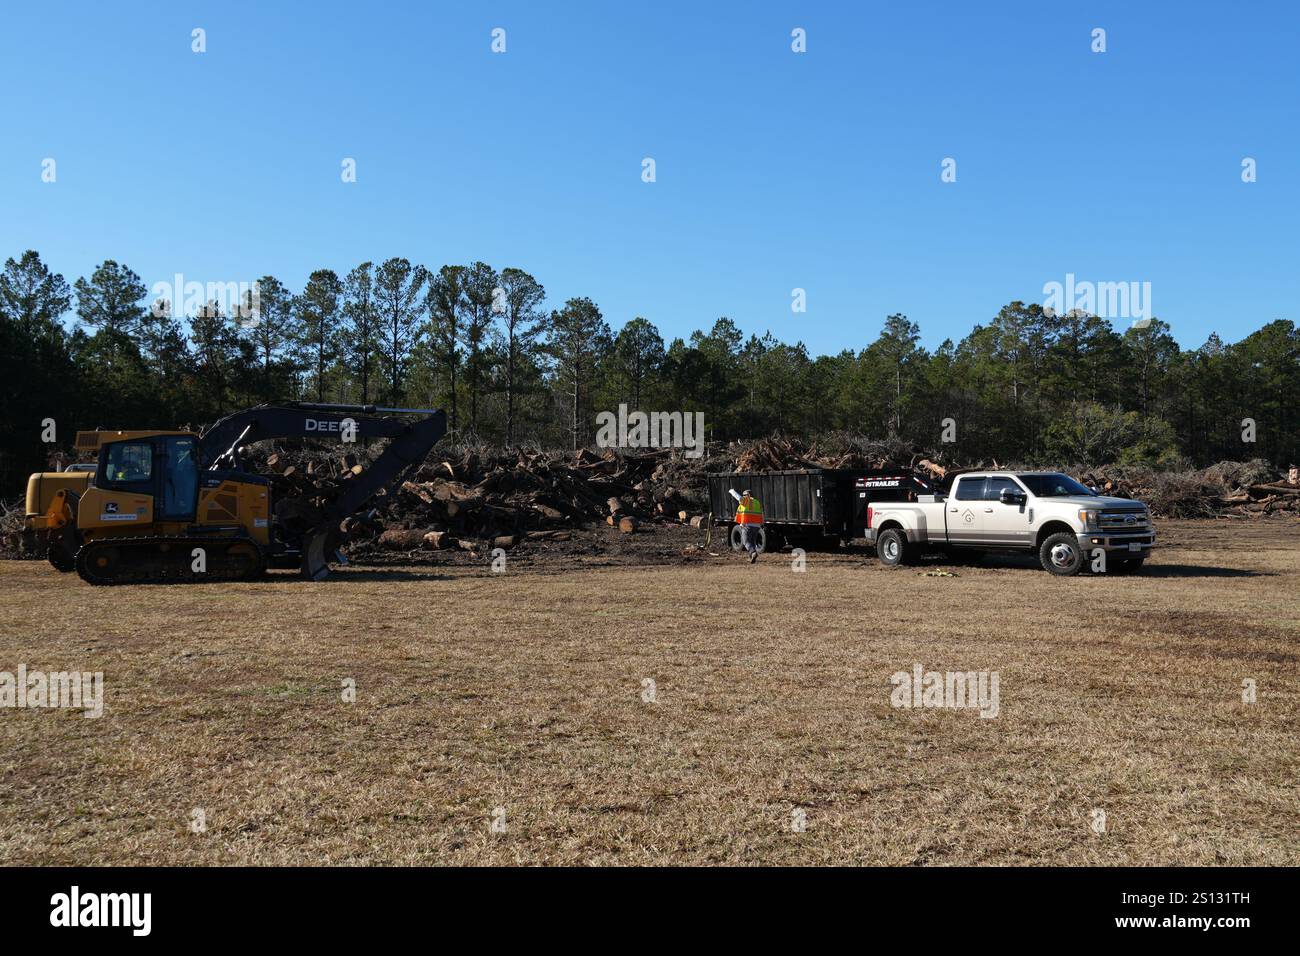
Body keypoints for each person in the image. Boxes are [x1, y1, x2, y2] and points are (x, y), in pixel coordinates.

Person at [735, 489, 764, 563]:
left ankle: (753, 553)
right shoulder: (757, 502)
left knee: (745, 541)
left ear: (749, 495)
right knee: (752, 541)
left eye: (744, 495)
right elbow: (761, 513)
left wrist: (732, 491)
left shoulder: (746, 501)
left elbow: (738, 497)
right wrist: (761, 524)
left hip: (747, 525)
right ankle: (751, 556)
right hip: (757, 525)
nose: (743, 496)